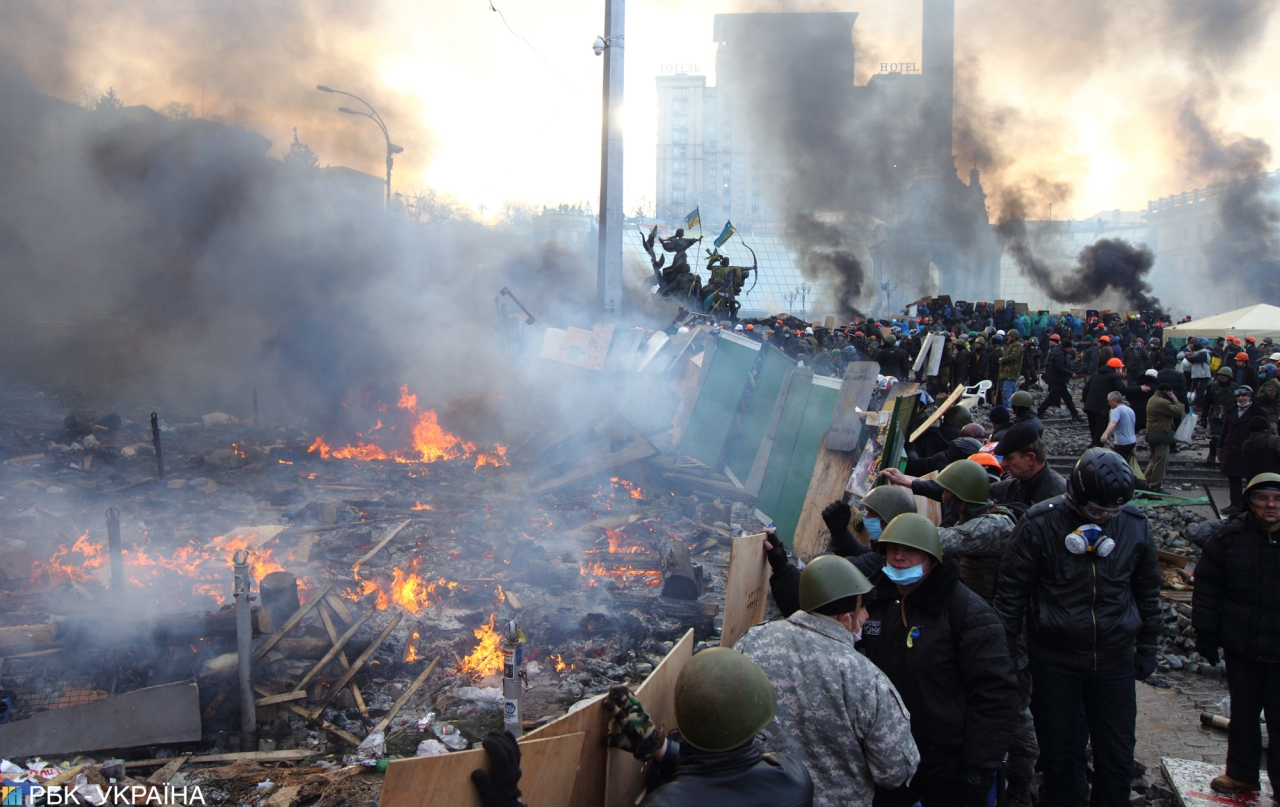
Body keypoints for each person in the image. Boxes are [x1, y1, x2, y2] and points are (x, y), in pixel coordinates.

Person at [993, 448, 1162, 807]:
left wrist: (1148, 645)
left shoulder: (1133, 525)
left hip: (1115, 662)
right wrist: (1006, 656)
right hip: (1056, 662)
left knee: (1116, 756)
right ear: (1075, 497)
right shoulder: (1040, 524)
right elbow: (1010, 595)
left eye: (1110, 512)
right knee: (1059, 756)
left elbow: (1147, 591)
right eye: (1096, 511)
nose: (1104, 519)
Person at [859, 513, 1018, 807]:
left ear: (933, 558)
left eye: (910, 550)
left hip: (946, 760)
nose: (898, 556)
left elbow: (995, 696)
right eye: (890, 548)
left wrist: (978, 770)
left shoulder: (969, 613)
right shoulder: (872, 601)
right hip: (887, 753)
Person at [737, 555, 920, 807]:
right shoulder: (866, 679)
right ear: (847, 615)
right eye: (864, 608)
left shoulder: (752, 642)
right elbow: (894, 772)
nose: (866, 616)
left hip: (758, 797)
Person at [1192, 473, 1280, 796]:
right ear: (1251, 502)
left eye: (1277, 499)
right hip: (1241, 644)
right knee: (1243, 714)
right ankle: (1241, 775)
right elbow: (1206, 588)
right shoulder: (1228, 538)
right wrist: (1206, 634)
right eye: (1263, 498)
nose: (1271, 505)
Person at [991, 422, 1067, 507]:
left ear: (1031, 458)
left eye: (1009, 458)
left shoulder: (1060, 496)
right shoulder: (1010, 487)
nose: (1003, 463)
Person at [1222, 386, 1271, 514]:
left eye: (1244, 395)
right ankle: (1235, 504)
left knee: (1252, 480)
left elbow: (1267, 431)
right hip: (1232, 449)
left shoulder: (1259, 412)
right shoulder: (1232, 410)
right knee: (1233, 478)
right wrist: (1220, 446)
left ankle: (1250, 505)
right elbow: (1225, 429)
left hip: (1251, 451)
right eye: (1238, 396)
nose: (1241, 398)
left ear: (1250, 397)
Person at [1083, 357, 1131, 447]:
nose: (1120, 370)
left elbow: (1085, 389)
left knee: (1093, 429)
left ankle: (1094, 448)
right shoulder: (1114, 377)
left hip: (1090, 406)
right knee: (1101, 429)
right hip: (1102, 408)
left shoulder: (1096, 375)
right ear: (1115, 368)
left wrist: (1086, 402)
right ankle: (1094, 448)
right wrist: (1139, 389)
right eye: (1120, 368)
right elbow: (1123, 389)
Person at [1145, 385, 1185, 493]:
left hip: (1153, 434)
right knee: (1161, 461)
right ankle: (1156, 485)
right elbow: (1179, 411)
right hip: (1161, 434)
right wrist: (1175, 400)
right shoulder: (1161, 402)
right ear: (1166, 392)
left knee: (1154, 459)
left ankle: (1145, 481)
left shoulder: (1153, 399)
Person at [1202, 367, 1238, 466]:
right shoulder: (1212, 386)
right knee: (1215, 437)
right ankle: (1212, 454)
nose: (1222, 378)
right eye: (1221, 376)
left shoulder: (1235, 388)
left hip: (1230, 415)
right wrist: (1203, 418)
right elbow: (1206, 403)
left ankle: (1225, 457)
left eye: (1225, 376)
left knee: (1228, 438)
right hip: (1215, 415)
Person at [1100, 391, 1138, 462]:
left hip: (1122, 442)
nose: (1108, 403)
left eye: (1109, 401)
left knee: (1117, 463)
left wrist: (1105, 434)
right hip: (1132, 441)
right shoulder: (1129, 410)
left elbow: (1113, 423)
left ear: (1114, 400)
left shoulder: (1116, 410)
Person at [999, 330, 1025, 405]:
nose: (1008, 338)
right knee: (1012, 390)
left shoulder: (1017, 345)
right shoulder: (1010, 345)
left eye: (1009, 336)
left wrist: (1002, 359)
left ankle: (1008, 406)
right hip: (1008, 372)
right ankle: (1015, 405)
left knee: (1007, 390)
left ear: (1013, 337)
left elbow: (1013, 356)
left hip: (1010, 372)